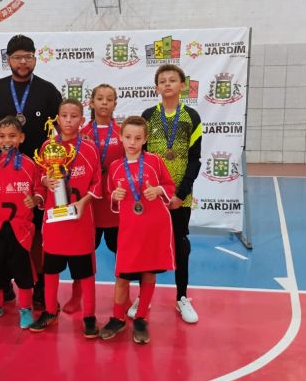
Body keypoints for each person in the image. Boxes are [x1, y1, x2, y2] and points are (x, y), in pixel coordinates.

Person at [0, 34, 62, 309]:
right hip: (0, 176)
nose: (22, 62)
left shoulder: (48, 91)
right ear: (8, 60)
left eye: (28, 56)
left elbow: (63, 131)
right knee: (0, 233)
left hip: (34, 176)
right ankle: (3, 287)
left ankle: (37, 286)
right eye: (16, 57)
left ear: (35, 58)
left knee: (34, 234)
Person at [29, 98, 102, 338]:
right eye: (64, 116)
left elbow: (97, 183)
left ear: (82, 120)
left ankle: (89, 316)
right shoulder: (47, 147)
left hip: (80, 222)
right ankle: (50, 311)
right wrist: (44, 182)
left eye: (74, 116)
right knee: (50, 270)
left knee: (85, 273)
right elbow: (38, 178)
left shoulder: (89, 149)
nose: (68, 120)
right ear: (57, 119)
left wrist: (83, 202)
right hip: (54, 222)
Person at [99, 116, 175, 344]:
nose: (132, 142)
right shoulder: (115, 166)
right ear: (121, 137)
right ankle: (118, 318)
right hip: (129, 228)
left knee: (148, 272)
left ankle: (141, 318)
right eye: (128, 137)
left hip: (154, 226)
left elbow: (169, 186)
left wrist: (158, 190)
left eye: (138, 138)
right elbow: (110, 195)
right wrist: (115, 196)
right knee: (122, 276)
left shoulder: (154, 161)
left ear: (145, 139)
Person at [140, 64, 202, 324]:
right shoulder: (147, 116)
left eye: (172, 80)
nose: (167, 84)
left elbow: (195, 160)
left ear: (182, 85)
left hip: (179, 197)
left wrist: (180, 193)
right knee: (148, 247)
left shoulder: (191, 117)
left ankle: (182, 297)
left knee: (180, 246)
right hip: (152, 195)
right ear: (157, 87)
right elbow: (140, 157)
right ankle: (144, 297)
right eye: (162, 81)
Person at [0, 116, 44, 328]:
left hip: (20, 229)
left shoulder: (29, 165)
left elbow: (40, 189)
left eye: (12, 136)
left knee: (23, 273)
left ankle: (25, 309)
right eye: (2, 136)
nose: (7, 141)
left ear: (21, 138)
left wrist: (35, 200)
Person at [63, 84, 123, 314]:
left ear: (115, 104)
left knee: (121, 254)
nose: (104, 102)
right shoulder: (81, 133)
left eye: (109, 99)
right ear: (91, 102)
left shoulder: (123, 133)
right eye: (100, 98)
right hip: (88, 204)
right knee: (83, 253)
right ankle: (77, 295)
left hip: (115, 204)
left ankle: (123, 297)